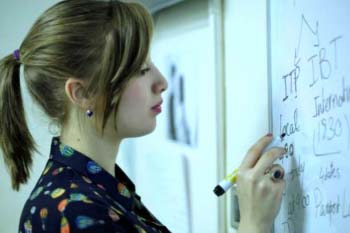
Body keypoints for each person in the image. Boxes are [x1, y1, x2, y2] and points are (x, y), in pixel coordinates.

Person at [0, 0, 286, 232]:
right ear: (82, 93)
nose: (162, 81)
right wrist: (254, 225)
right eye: (140, 69)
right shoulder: (76, 213)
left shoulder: (96, 189)